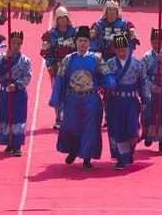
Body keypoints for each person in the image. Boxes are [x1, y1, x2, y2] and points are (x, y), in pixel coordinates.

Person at [49, 25, 116, 169]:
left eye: (85, 41)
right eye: (80, 41)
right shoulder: (68, 59)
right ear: (75, 42)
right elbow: (60, 79)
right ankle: (73, 150)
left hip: (91, 99)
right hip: (72, 98)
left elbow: (106, 74)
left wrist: (108, 84)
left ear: (89, 43)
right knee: (70, 126)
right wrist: (56, 99)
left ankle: (87, 157)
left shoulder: (97, 59)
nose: (82, 43)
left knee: (90, 128)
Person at [105, 35, 150, 169]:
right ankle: (121, 158)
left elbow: (143, 82)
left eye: (124, 49)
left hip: (131, 101)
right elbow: (103, 81)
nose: (122, 53)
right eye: (119, 51)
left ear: (129, 48)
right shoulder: (110, 64)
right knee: (116, 129)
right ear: (115, 51)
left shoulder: (137, 64)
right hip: (114, 101)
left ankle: (130, 152)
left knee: (132, 129)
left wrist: (145, 100)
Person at [0, 30, 32, 156]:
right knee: (4, 116)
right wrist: (6, 57)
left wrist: (15, 86)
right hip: (4, 93)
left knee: (18, 118)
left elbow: (27, 77)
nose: (16, 45)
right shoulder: (2, 56)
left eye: (18, 43)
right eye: (13, 43)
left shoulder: (25, 60)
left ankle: (17, 146)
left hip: (18, 94)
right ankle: (8, 142)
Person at [40, 2, 76, 129]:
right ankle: (58, 117)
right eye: (59, 18)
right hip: (57, 68)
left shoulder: (75, 32)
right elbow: (46, 52)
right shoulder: (50, 34)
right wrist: (49, 65)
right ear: (56, 19)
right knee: (57, 92)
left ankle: (70, 116)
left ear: (68, 18)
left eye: (64, 18)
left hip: (72, 67)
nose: (62, 20)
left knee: (72, 92)